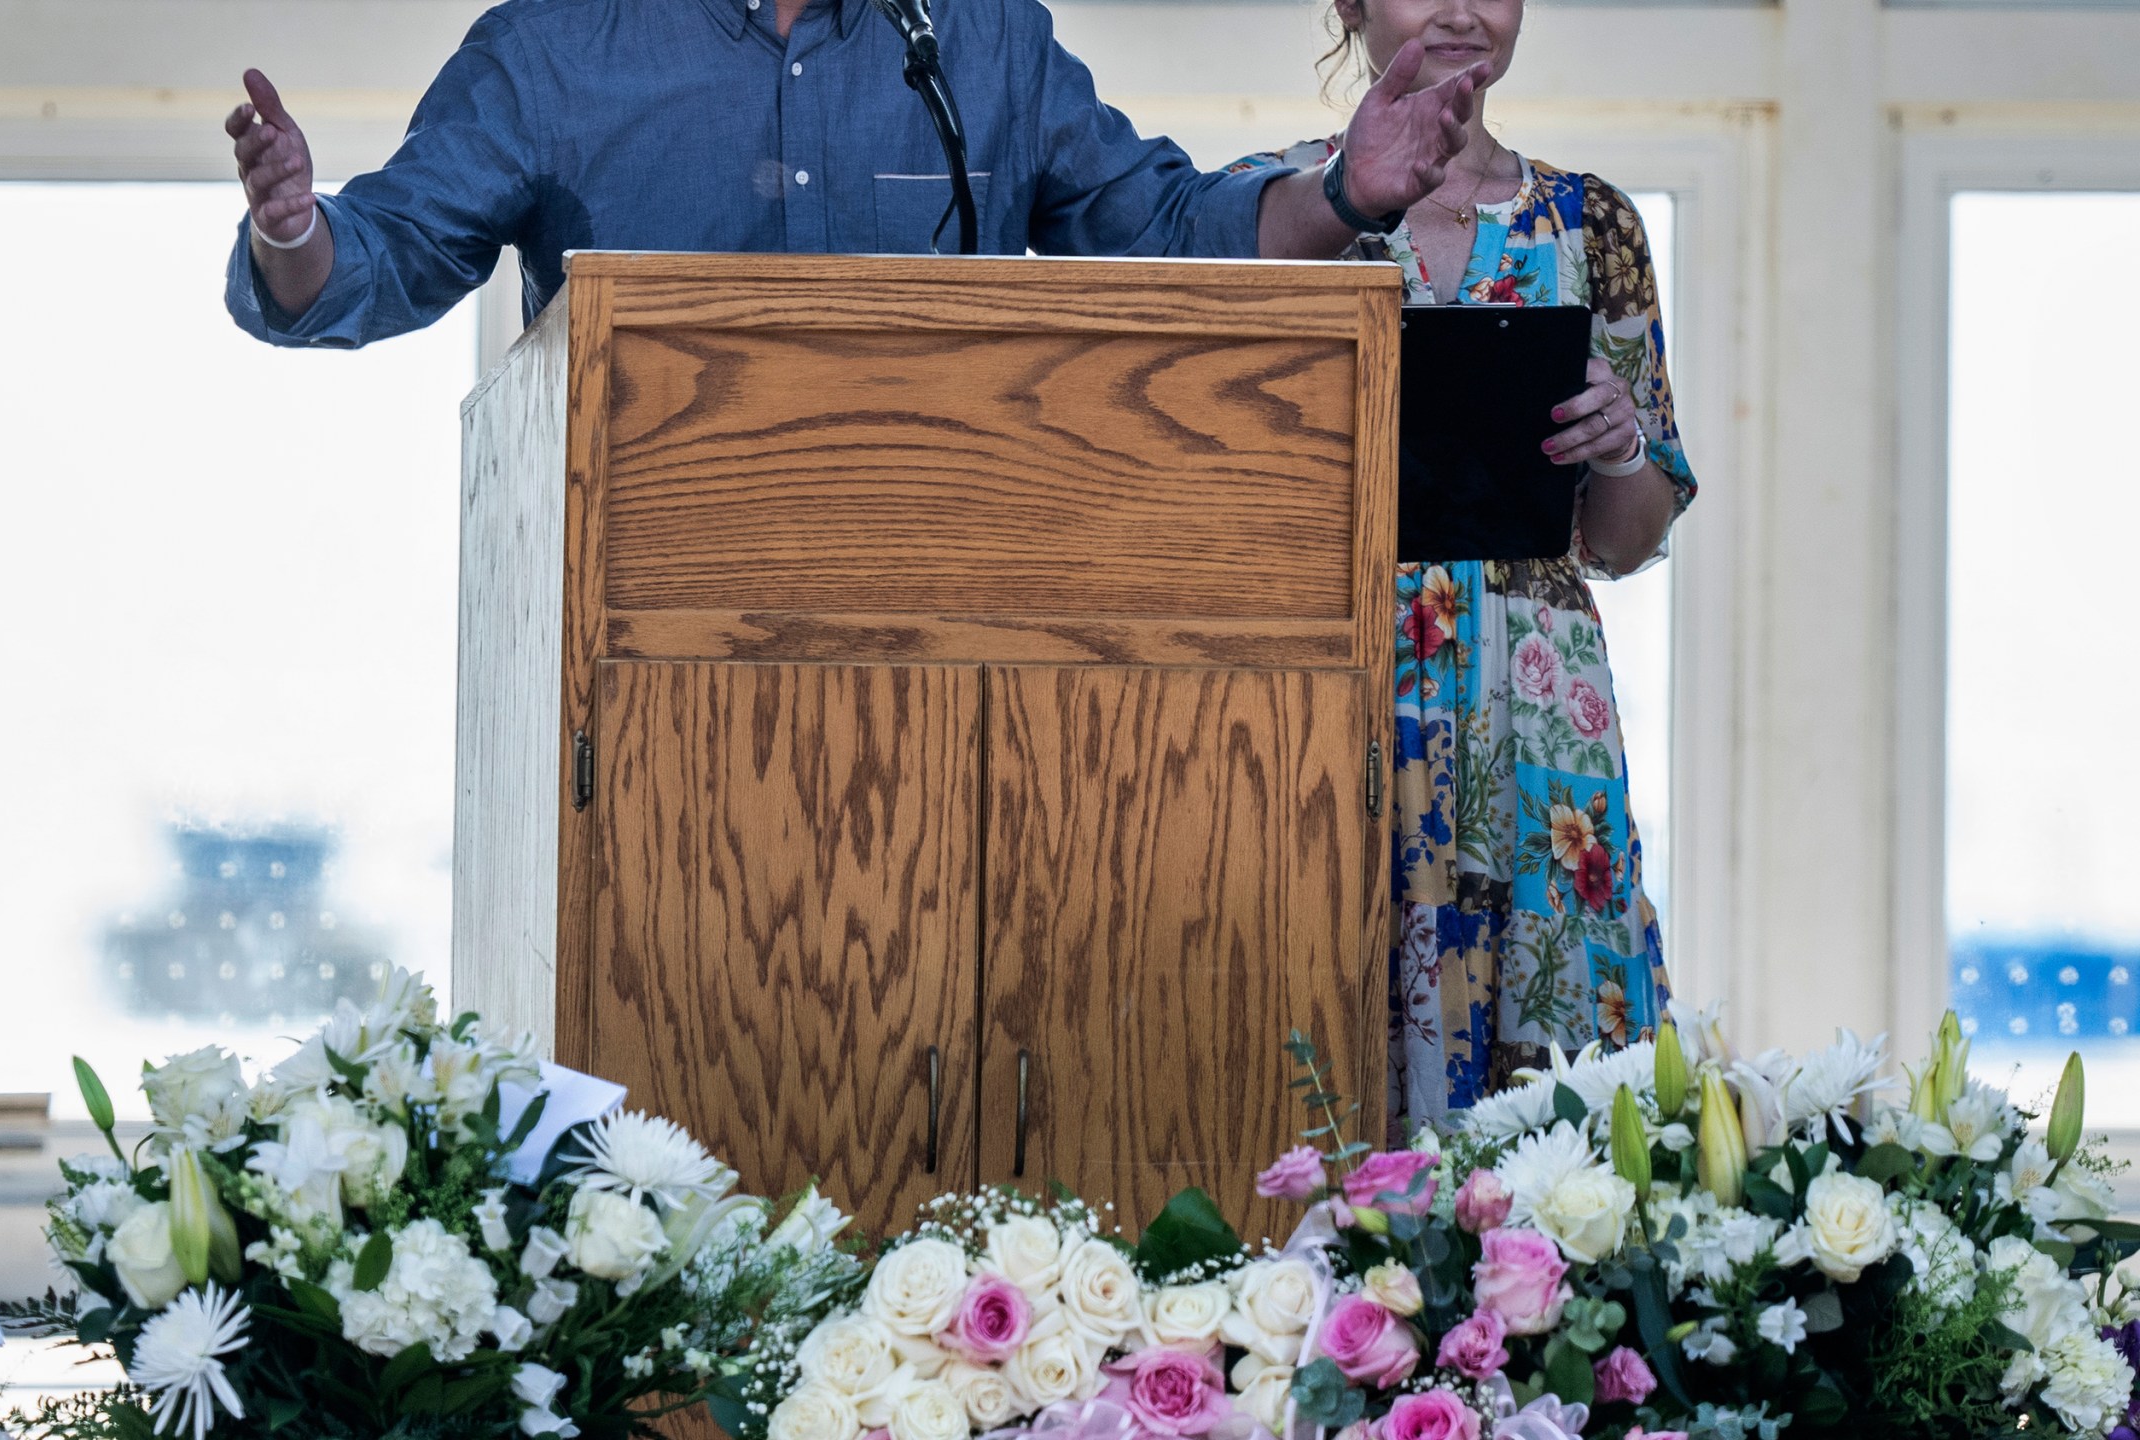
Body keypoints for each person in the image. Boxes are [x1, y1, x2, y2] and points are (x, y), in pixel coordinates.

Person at [1230, 0, 1694, 1127]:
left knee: (1565, 1123)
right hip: (1327, 694)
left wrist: (1621, 439)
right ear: (1346, 4)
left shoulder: (1593, 223)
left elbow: (1629, 537)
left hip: (1536, 717)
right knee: (1310, 1039)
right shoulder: (1266, 209)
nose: (1460, 7)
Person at [220, 0, 1499, 344]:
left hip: (949, 618)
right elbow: (381, 259)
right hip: (638, 633)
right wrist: (294, 233)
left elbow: (1159, 226)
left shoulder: (984, 36)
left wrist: (1341, 194)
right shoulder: (553, 47)